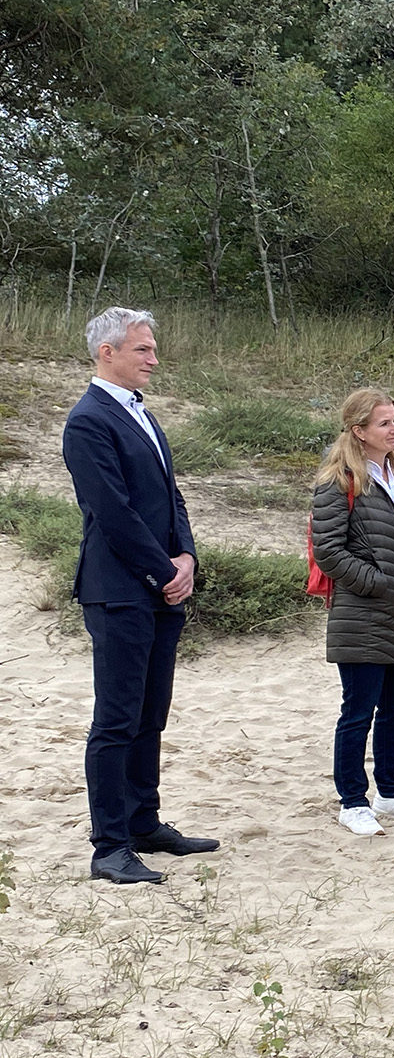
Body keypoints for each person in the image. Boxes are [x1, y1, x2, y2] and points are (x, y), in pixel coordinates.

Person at [62, 307, 218, 885]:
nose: (154, 359)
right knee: (117, 718)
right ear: (108, 352)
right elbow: (113, 512)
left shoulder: (141, 414)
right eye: (143, 350)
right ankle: (109, 845)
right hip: (119, 590)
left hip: (159, 588)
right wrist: (162, 571)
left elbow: (170, 497)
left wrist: (187, 557)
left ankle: (143, 821)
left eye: (152, 349)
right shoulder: (87, 420)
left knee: (151, 713)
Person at [312, 388, 394, 836]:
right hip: (362, 618)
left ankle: (389, 790)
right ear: (358, 431)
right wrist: (376, 583)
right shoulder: (338, 481)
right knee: (358, 711)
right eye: (384, 423)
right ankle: (352, 800)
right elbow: (327, 550)